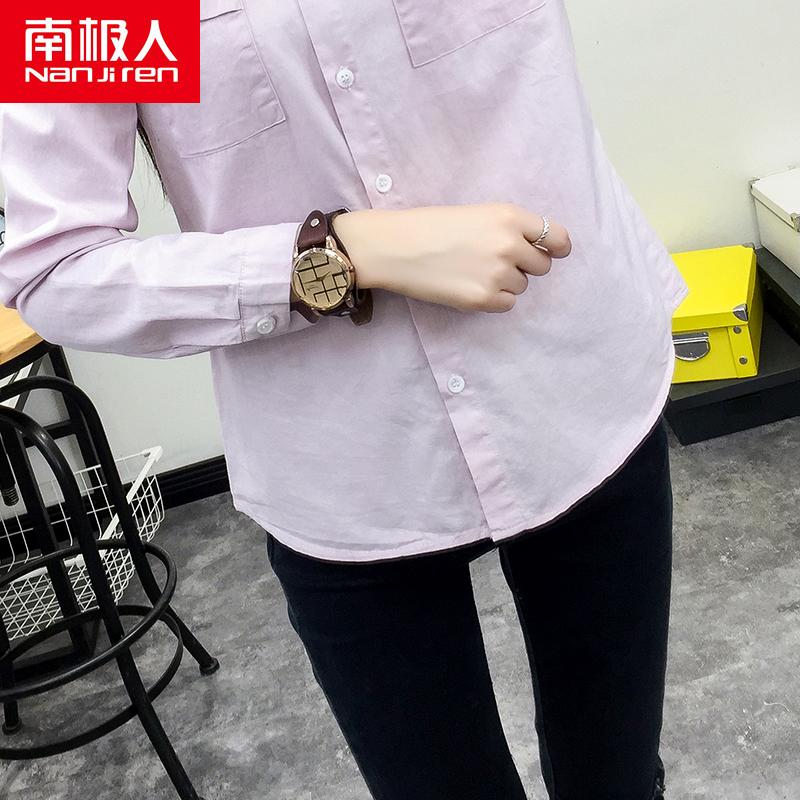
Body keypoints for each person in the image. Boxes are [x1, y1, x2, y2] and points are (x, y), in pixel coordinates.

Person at [0, 2, 688, 798]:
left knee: (620, 780)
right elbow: (59, 266)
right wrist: (338, 256)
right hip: (343, 460)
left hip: (574, 382)